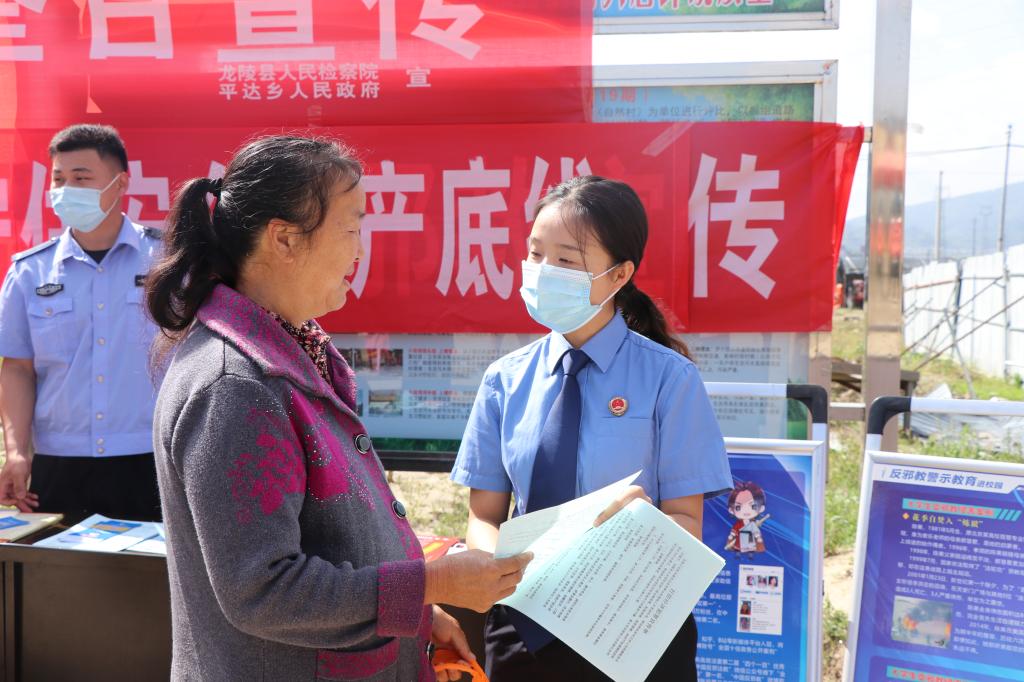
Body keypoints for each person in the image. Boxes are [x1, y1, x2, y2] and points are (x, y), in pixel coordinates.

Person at [146, 134, 531, 681]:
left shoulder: (291, 348)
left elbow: (333, 536)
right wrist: (434, 583)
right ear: (284, 239)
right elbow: (264, 591)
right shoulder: (235, 385)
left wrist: (418, 615)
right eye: (351, 229)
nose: (360, 250)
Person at [451, 176, 733, 682]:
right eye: (535, 254)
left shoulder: (670, 379)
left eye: (566, 260)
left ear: (619, 274)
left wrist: (641, 526)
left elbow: (687, 521)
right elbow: (483, 516)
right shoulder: (504, 381)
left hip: (633, 627)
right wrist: (500, 570)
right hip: (524, 625)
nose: (544, 271)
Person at [0, 124, 163, 521]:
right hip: (58, 464)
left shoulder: (168, 262)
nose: (66, 189)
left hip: (149, 459)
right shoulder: (30, 272)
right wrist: (17, 452)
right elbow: (18, 369)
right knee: (51, 563)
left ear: (120, 183)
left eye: (81, 178)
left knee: (151, 564)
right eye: (59, 179)